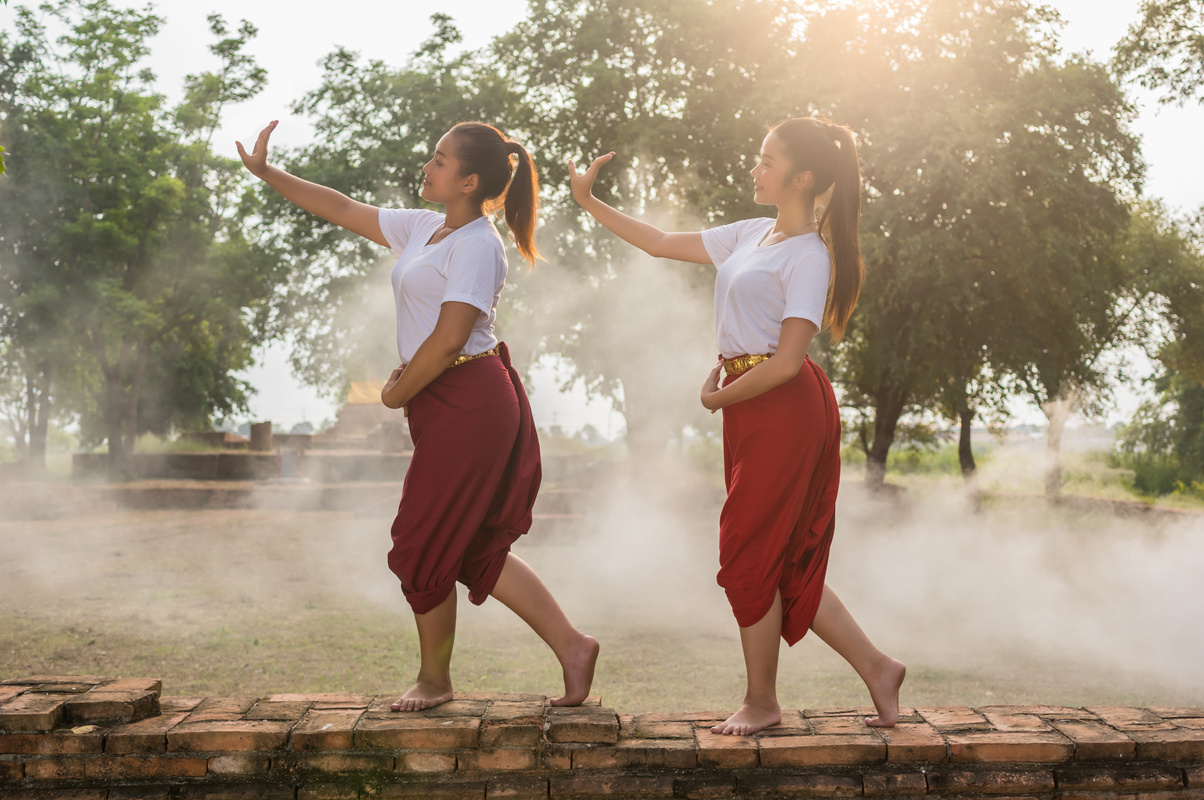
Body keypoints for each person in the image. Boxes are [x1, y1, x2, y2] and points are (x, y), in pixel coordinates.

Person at [237, 120, 599, 710]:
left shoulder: (480, 244)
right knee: (472, 545)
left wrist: (395, 391)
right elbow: (341, 207)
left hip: (472, 399)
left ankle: (436, 680)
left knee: (420, 538)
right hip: (441, 399)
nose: (428, 166)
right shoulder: (424, 227)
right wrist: (268, 173)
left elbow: (454, 333)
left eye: (440, 160)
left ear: (469, 181)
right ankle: (573, 646)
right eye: (432, 156)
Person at [568, 117, 905, 735]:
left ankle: (762, 703)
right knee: (774, 561)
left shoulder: (809, 256)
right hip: (749, 406)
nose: (754, 168)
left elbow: (787, 361)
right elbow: (661, 241)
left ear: (801, 178)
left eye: (765, 160)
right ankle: (879, 668)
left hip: (782, 409)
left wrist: (716, 400)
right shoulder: (752, 234)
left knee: (746, 556)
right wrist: (589, 200)